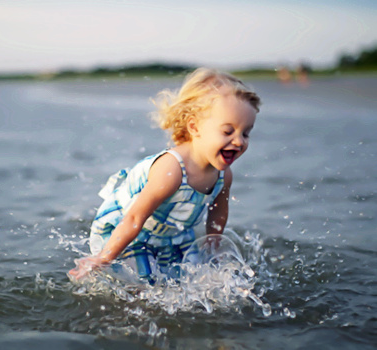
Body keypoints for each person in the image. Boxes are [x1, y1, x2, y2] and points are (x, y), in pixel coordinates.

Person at [68, 68, 261, 284]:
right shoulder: (172, 170)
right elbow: (134, 218)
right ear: (195, 127)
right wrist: (103, 258)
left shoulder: (224, 175)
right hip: (133, 231)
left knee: (191, 282)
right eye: (228, 132)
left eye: (246, 133)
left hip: (173, 235)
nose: (239, 141)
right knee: (143, 288)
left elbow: (219, 209)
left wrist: (214, 242)